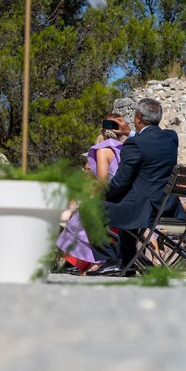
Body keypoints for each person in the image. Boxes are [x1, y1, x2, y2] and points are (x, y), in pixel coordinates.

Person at [90, 98, 185, 276]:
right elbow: (151, 141)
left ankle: (112, 261)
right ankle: (128, 264)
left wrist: (101, 195)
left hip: (143, 207)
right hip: (168, 205)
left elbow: (121, 182)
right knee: (128, 206)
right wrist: (132, 132)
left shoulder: (134, 144)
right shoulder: (172, 137)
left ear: (139, 117)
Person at [56, 115, 126, 274]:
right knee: (79, 217)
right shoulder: (124, 149)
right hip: (121, 200)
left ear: (102, 130)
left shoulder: (103, 150)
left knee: (80, 218)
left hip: (109, 200)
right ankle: (76, 262)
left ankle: (79, 262)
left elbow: (102, 181)